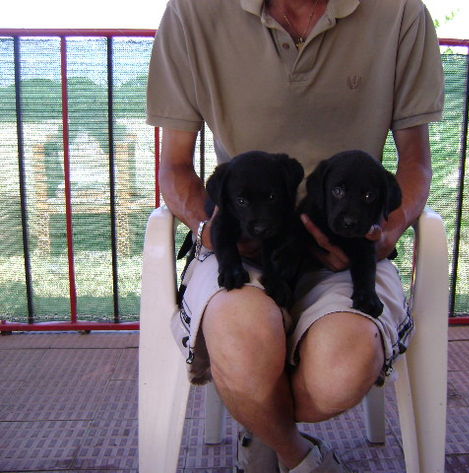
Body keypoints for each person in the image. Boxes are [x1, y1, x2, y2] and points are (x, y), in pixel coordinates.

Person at [146, 0, 444, 471]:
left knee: (340, 373)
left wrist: (383, 232)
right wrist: (211, 231)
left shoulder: (400, 11)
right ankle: (297, 454)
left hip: (347, 243)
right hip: (245, 240)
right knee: (242, 348)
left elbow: (415, 162)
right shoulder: (192, 11)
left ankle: (260, 421)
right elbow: (176, 167)